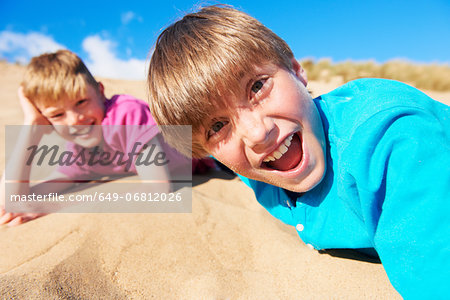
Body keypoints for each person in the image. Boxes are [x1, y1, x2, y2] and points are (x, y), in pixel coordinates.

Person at [146, 5, 450, 298]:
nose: (257, 133)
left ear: (296, 71)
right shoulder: (254, 166)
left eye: (257, 87)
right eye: (217, 126)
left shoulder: (390, 142)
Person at [0, 49, 193, 226]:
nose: (75, 120)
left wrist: (53, 207)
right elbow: (12, 201)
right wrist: (31, 125)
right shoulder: (78, 152)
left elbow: (158, 190)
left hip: (203, 159)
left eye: (81, 101)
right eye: (57, 115)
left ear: (101, 92)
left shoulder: (126, 114)